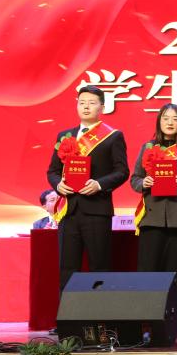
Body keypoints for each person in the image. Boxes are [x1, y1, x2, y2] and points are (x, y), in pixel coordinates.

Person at [46, 85, 129, 289]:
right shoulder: (65, 136)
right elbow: (52, 171)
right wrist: (58, 185)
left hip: (97, 210)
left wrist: (99, 184)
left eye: (92, 103)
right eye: (82, 102)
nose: (86, 107)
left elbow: (122, 171)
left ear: (102, 107)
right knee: (67, 267)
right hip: (68, 211)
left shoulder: (113, 136)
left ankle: (99, 310)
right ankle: (67, 310)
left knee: (99, 266)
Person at [130, 104, 177, 296]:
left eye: (174, 118)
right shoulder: (147, 147)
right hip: (152, 218)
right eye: (165, 118)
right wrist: (144, 182)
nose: (170, 122)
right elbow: (135, 179)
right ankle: (149, 312)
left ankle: (175, 312)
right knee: (149, 271)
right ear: (159, 122)